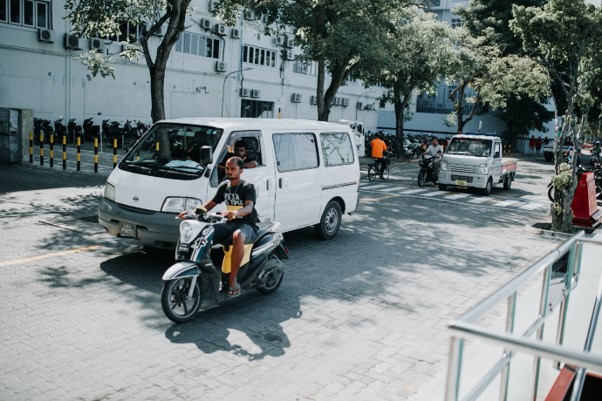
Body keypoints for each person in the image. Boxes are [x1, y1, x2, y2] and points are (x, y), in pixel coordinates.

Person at [180, 156, 258, 297]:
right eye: (227, 168)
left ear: (241, 171)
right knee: (205, 232)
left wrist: (235, 212)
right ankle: (205, 273)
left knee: (238, 236)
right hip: (230, 224)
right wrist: (191, 213)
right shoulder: (224, 186)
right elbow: (208, 205)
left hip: (247, 225)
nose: (229, 171)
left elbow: (249, 208)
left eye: (233, 169)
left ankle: (233, 279)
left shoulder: (248, 186)